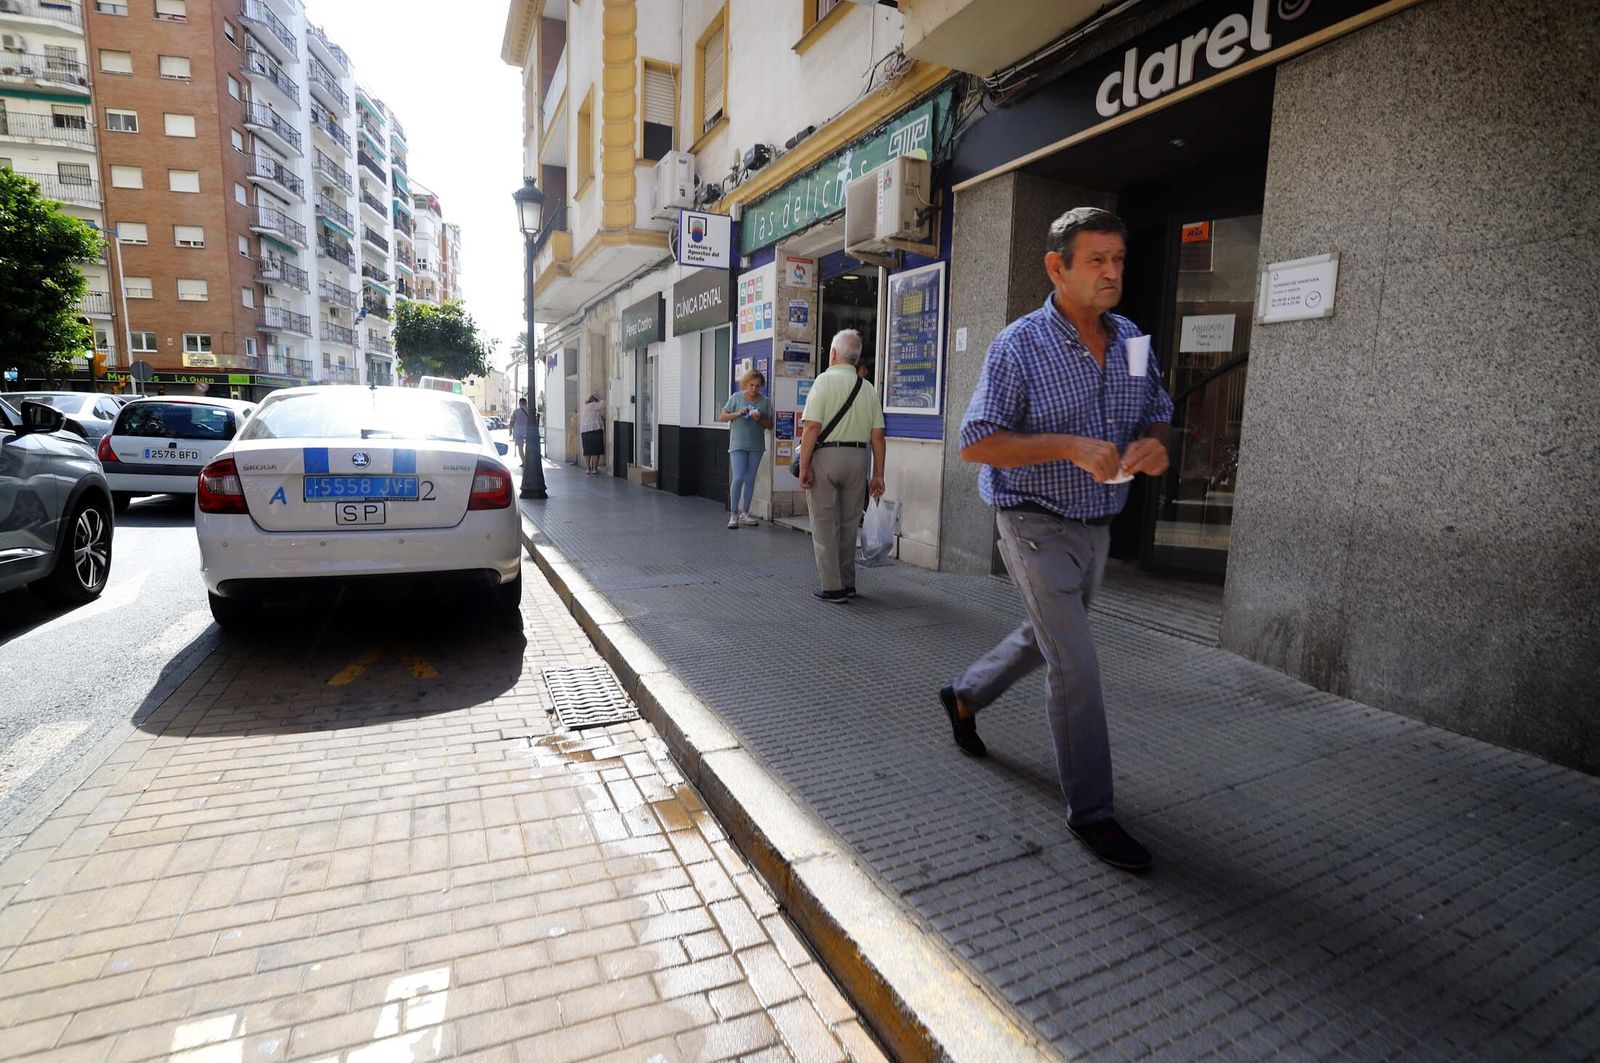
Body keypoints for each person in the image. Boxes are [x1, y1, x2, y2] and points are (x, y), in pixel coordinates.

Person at [943, 207, 1173, 872]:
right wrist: (1071, 446)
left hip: (1097, 524)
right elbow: (976, 441)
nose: (1111, 272)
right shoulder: (1019, 344)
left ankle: (965, 694)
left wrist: (1156, 447)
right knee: (1075, 662)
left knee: (1047, 636)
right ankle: (1093, 811)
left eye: (1118, 260)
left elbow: (1157, 410)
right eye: (1095, 259)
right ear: (1057, 267)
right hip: (1032, 520)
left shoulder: (1131, 338)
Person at [797, 329, 885, 604]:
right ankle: (848, 584)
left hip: (826, 457)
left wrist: (804, 465)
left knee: (824, 524)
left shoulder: (823, 381)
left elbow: (812, 426)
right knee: (849, 524)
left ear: (833, 354)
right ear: (856, 358)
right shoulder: (867, 388)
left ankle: (832, 587)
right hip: (858, 458)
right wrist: (879, 474)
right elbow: (878, 436)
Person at [718, 369, 773, 529]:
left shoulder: (765, 401)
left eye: (757, 386)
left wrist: (760, 417)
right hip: (738, 444)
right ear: (745, 384)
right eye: (751, 385)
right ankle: (733, 514)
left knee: (750, 479)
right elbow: (722, 417)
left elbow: (770, 425)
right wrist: (738, 413)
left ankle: (745, 513)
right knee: (738, 477)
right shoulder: (736, 398)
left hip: (756, 446)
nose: (754, 389)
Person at [579, 394, 606, 475]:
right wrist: (600, 397)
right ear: (595, 401)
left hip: (584, 431)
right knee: (595, 451)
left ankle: (588, 468)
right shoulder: (594, 405)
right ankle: (594, 469)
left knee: (587, 451)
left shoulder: (585, 407)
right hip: (594, 430)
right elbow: (603, 403)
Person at [509, 398, 529, 463]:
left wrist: (510, 430)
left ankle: (524, 462)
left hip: (519, 432)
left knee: (520, 448)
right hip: (528, 432)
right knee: (529, 447)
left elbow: (512, 422)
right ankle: (528, 461)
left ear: (519, 403)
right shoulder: (530, 411)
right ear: (526, 403)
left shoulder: (516, 411)